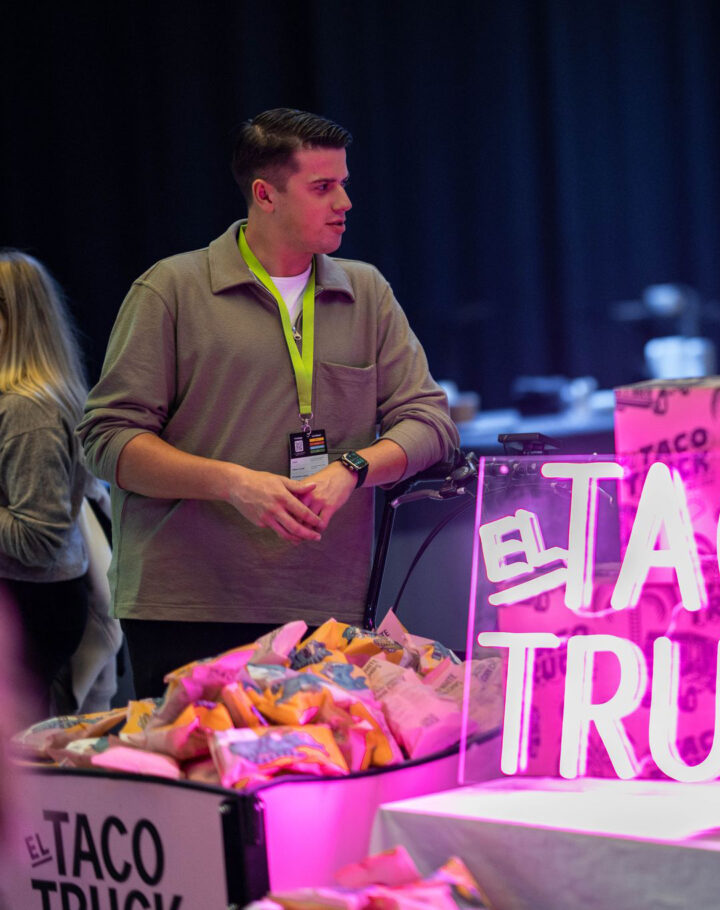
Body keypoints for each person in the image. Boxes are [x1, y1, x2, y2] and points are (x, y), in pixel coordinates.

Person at [78, 108, 459, 698]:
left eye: (344, 183)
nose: (346, 202)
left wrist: (351, 470)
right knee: (199, 787)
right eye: (323, 187)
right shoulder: (172, 289)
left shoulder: (366, 292)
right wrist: (234, 483)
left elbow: (430, 420)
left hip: (326, 608)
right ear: (265, 194)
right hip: (189, 608)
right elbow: (107, 441)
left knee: (318, 786)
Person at [0, 250, 92, 722]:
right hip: (37, 600)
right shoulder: (31, 398)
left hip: (33, 604)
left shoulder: (26, 409)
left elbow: (37, 540)